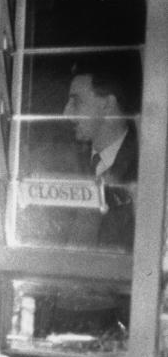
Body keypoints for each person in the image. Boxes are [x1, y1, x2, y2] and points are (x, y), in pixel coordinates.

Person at [63, 54, 140, 251]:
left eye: (76, 102)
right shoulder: (63, 164)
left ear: (107, 104)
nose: (66, 113)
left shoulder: (147, 169)